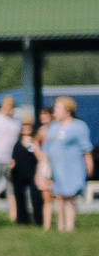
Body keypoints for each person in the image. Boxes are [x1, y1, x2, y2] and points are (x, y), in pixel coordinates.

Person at [46, 97, 90, 234]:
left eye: (58, 108)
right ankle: (63, 225)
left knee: (70, 195)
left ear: (68, 110)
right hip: (57, 168)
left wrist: (89, 164)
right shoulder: (53, 127)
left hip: (73, 167)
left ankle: (70, 225)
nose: (55, 111)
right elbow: (47, 147)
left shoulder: (79, 126)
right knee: (61, 196)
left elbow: (86, 149)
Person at [14, 106, 45, 229]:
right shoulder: (18, 141)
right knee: (20, 197)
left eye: (28, 127)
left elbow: (38, 156)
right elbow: (14, 156)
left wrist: (33, 146)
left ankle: (39, 220)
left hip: (32, 172)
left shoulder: (34, 141)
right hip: (19, 172)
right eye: (24, 127)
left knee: (36, 197)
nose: (26, 129)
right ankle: (22, 220)